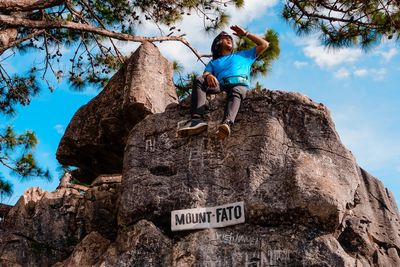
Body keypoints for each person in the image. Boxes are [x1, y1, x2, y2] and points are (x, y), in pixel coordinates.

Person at [177, 25, 269, 138]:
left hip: (239, 83)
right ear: (218, 43)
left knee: (236, 91)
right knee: (199, 80)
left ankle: (227, 123)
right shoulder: (213, 62)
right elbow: (205, 74)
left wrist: (246, 34)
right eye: (225, 38)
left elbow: (264, 44)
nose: (229, 39)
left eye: (230, 38)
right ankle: (197, 120)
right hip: (221, 85)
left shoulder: (243, 55)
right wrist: (208, 76)